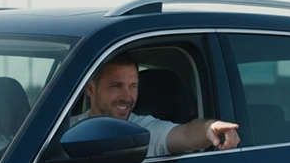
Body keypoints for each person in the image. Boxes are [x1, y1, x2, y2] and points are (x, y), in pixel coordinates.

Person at [71, 53, 240, 157]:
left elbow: (186, 134)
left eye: (133, 86)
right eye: (116, 86)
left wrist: (209, 128)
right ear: (91, 90)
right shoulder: (65, 131)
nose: (127, 96)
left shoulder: (145, 130)